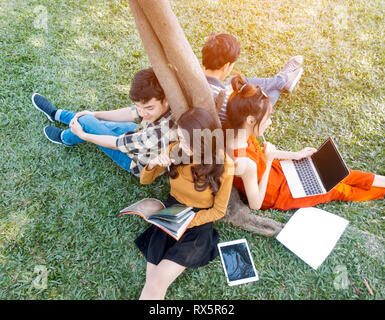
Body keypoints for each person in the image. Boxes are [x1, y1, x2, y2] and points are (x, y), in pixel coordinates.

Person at [225, 74, 385, 211]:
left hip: (277, 170)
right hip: (278, 193)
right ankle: (381, 192)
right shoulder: (244, 163)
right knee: (335, 188)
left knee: (337, 171)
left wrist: (295, 155)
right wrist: (268, 162)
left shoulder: (236, 132)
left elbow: (259, 153)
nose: (270, 123)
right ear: (251, 120)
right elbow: (256, 204)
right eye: (267, 119)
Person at [136, 107, 234, 300]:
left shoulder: (224, 165)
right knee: (153, 282)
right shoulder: (175, 150)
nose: (182, 144)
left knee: (156, 282)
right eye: (180, 137)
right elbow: (144, 180)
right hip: (171, 214)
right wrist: (154, 163)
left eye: (188, 142)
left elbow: (219, 210)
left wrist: (189, 221)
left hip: (197, 224)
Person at [31, 68, 178, 176]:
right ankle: (59, 115)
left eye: (149, 108)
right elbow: (130, 113)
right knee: (92, 120)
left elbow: (115, 143)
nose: (142, 112)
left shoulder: (159, 134)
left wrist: (84, 136)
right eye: (139, 106)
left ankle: (65, 137)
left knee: (87, 123)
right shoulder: (168, 102)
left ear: (165, 100)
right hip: (139, 133)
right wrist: (95, 114)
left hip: (136, 161)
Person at [201, 33, 304, 126]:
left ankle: (281, 80)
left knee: (234, 80)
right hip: (244, 120)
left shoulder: (194, 74)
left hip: (210, 98)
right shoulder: (224, 99)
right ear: (226, 66)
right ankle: (282, 80)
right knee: (262, 103)